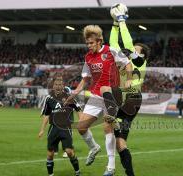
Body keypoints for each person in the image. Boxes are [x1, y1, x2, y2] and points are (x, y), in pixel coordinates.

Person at [65, 24, 133, 176]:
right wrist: (75, 92)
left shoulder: (111, 51)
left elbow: (127, 63)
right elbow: (86, 79)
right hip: (96, 95)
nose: (89, 46)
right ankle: (94, 147)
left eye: (91, 43)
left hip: (111, 94)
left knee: (107, 127)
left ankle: (110, 167)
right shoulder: (88, 57)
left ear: (99, 41)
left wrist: (128, 79)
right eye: (87, 43)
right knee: (82, 127)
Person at [99, 4, 151, 176]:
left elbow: (127, 43)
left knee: (105, 89)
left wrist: (121, 21)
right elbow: (114, 43)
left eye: (136, 50)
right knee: (120, 142)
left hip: (132, 99)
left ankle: (111, 115)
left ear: (142, 55)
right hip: (122, 99)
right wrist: (114, 24)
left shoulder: (139, 62)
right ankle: (129, 173)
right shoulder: (125, 60)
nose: (132, 50)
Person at [38, 76, 81, 176]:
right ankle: (51, 174)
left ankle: (77, 172)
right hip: (53, 128)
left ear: (63, 86)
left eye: (60, 85)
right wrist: (42, 130)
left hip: (65, 128)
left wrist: (81, 123)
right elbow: (47, 115)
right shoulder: (49, 98)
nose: (58, 86)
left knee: (69, 151)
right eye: (56, 85)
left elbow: (78, 109)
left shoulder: (69, 97)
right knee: (50, 154)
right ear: (53, 86)